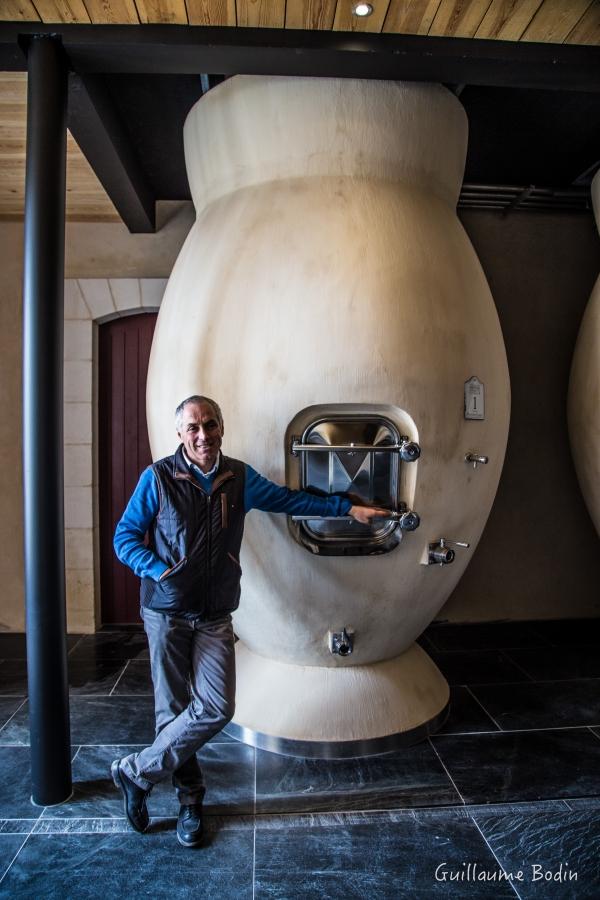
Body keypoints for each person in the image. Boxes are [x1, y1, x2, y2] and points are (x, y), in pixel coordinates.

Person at [111, 395, 389, 847]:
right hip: (166, 612)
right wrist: (160, 571)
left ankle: (136, 772)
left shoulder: (238, 477)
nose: (204, 435)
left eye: (211, 424)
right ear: (179, 433)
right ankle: (189, 805)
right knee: (173, 714)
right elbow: (124, 538)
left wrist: (347, 508)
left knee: (217, 707)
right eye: (194, 427)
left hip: (216, 611)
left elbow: (287, 499)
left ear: (223, 426)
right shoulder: (157, 478)